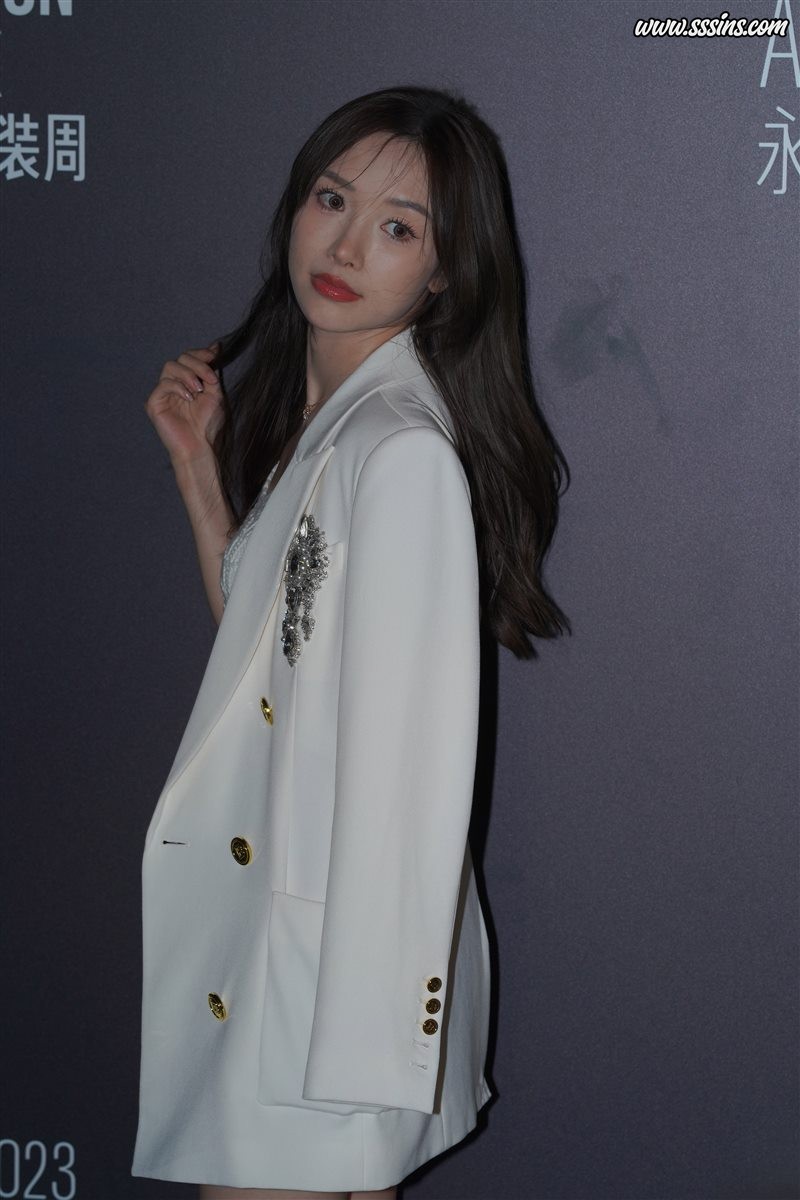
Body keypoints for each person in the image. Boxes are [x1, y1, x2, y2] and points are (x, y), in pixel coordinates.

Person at [131, 85, 570, 1200]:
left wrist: (362, 1060)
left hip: (327, 996)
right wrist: (198, 472)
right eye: (332, 200)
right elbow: (269, 659)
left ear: (444, 271)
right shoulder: (332, 427)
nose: (344, 245)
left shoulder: (401, 452)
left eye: (397, 227)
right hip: (279, 966)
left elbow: (407, 786)